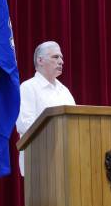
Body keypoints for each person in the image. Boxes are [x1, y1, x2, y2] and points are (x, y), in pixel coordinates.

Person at [16, 41, 76, 176]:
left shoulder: (64, 91)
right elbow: (25, 125)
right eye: (56, 57)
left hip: (68, 162)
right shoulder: (28, 88)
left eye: (61, 58)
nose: (61, 61)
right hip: (39, 163)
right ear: (40, 60)